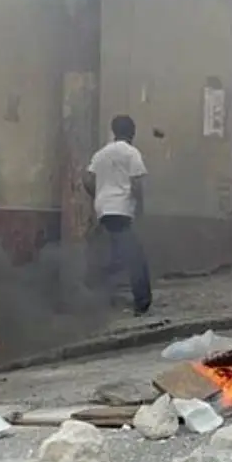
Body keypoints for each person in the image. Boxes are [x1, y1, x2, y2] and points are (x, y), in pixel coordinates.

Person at [82, 115, 152, 315]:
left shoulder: (101, 154)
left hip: (103, 208)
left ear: (113, 131)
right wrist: (140, 207)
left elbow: (87, 179)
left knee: (113, 254)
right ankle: (142, 302)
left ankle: (101, 295)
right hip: (121, 209)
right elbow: (136, 184)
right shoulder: (131, 153)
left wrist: (99, 195)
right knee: (135, 257)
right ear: (132, 132)